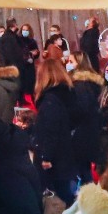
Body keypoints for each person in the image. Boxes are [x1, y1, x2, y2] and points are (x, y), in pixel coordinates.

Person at [31, 57, 80, 200]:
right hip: (68, 152)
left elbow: (50, 131)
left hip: (55, 159)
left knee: (55, 197)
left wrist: (46, 157)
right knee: (67, 193)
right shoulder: (70, 94)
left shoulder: (50, 101)